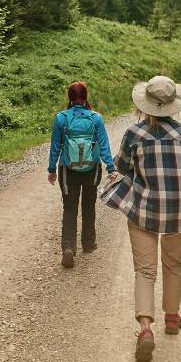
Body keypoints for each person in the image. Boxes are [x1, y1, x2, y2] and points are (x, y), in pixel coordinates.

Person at [101, 75, 181, 362]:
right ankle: (171, 316)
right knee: (173, 264)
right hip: (178, 212)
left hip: (143, 211)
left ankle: (145, 329)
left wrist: (113, 183)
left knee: (144, 271)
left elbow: (121, 169)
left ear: (145, 105)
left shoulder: (134, 134)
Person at [48, 82, 116, 269]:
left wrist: (51, 170)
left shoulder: (61, 118)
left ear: (69, 97)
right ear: (86, 96)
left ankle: (69, 247)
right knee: (88, 204)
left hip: (67, 169)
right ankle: (88, 243)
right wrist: (111, 168)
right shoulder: (96, 119)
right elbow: (104, 145)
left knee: (69, 208)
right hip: (91, 169)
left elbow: (55, 147)